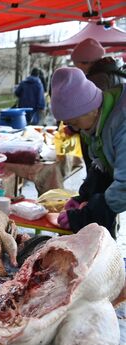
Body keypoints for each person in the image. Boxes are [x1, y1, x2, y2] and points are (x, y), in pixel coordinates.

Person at [50, 67, 126, 238]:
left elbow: (124, 187)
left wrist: (89, 214)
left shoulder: (122, 123)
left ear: (92, 108)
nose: (75, 129)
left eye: (75, 122)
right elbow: (101, 165)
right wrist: (83, 196)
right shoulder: (96, 121)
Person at [70, 38, 126, 169]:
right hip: (116, 138)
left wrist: (74, 125)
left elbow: (88, 114)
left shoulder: (96, 79)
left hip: (105, 140)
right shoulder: (118, 71)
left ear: (85, 62)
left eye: (76, 63)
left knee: (105, 176)